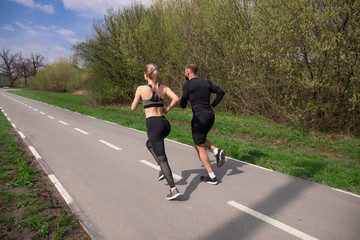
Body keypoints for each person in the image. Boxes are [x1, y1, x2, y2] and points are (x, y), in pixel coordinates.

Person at [131, 63, 181, 200]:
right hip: (165, 124)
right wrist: (167, 109)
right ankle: (161, 168)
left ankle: (173, 188)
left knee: (162, 158)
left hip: (153, 125)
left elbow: (133, 108)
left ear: (146, 75)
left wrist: (139, 98)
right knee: (149, 144)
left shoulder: (141, 89)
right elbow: (176, 99)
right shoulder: (163, 88)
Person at [180, 64, 226, 185]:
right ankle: (216, 151)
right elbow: (221, 92)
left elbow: (183, 104)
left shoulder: (187, 84)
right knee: (200, 140)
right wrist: (213, 105)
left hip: (200, 117)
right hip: (210, 115)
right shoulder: (206, 83)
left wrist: (182, 100)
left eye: (185, 72)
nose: (185, 74)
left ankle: (212, 176)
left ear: (188, 72)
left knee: (199, 145)